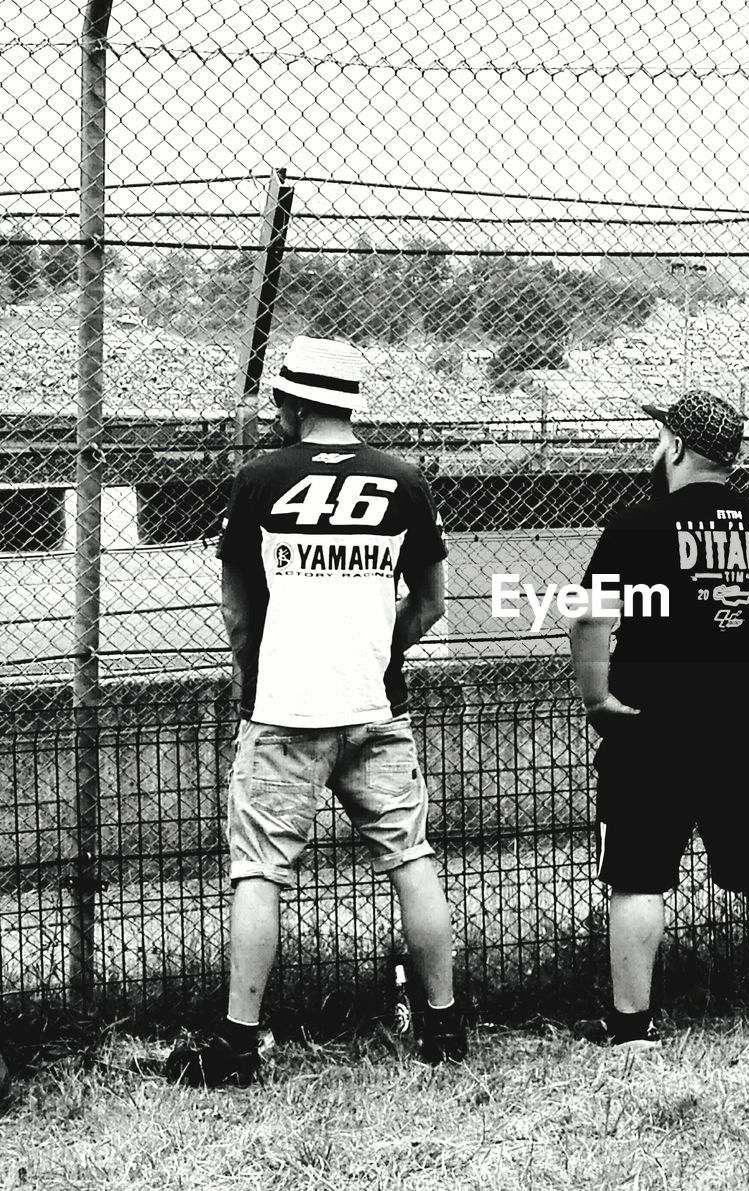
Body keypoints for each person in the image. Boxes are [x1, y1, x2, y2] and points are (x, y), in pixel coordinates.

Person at [166, 336, 465, 1087]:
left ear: (289, 404)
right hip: (375, 705)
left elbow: (239, 611)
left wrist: (251, 680)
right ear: (351, 404)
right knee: (410, 856)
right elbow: (428, 603)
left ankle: (238, 1041)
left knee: (260, 871)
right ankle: (443, 1024)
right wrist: (377, 649)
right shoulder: (403, 480)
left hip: (285, 707)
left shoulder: (260, 479)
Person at [569, 389, 749, 1049]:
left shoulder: (638, 525)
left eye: (662, 438)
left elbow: (591, 616)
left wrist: (598, 699)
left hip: (655, 719)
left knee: (638, 871)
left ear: (678, 445)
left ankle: (632, 1025)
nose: (656, 449)